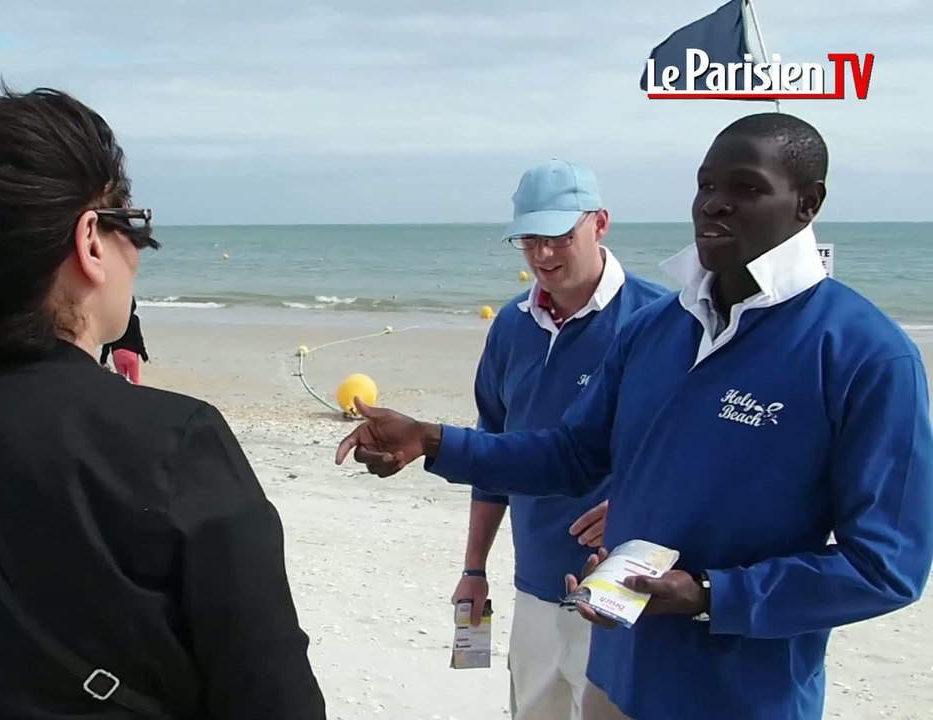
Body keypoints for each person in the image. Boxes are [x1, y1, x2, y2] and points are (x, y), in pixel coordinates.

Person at [334, 112, 933, 720]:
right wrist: (432, 441)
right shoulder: (658, 329)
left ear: (808, 203)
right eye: (706, 186)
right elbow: (570, 454)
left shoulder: (866, 354)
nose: (715, 206)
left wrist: (707, 596)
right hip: (615, 674)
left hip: (742, 696)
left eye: (746, 188)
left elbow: (885, 565)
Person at [0, 85, 325, 720]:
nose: (138, 254)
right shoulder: (177, 445)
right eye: (133, 225)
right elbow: (274, 698)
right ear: (91, 242)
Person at [452, 159, 668, 720]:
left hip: (624, 590)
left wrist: (635, 504)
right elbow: (492, 450)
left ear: (600, 223)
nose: (543, 255)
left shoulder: (661, 320)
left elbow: (694, 452)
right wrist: (474, 569)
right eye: (530, 240)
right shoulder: (510, 326)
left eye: (559, 237)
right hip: (533, 583)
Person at [101, 296, 149, 384]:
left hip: (117, 354)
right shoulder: (134, 319)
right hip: (131, 354)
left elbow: (108, 339)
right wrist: (144, 355)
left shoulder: (115, 319)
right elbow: (138, 338)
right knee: (134, 381)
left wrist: (103, 359)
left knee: (122, 382)